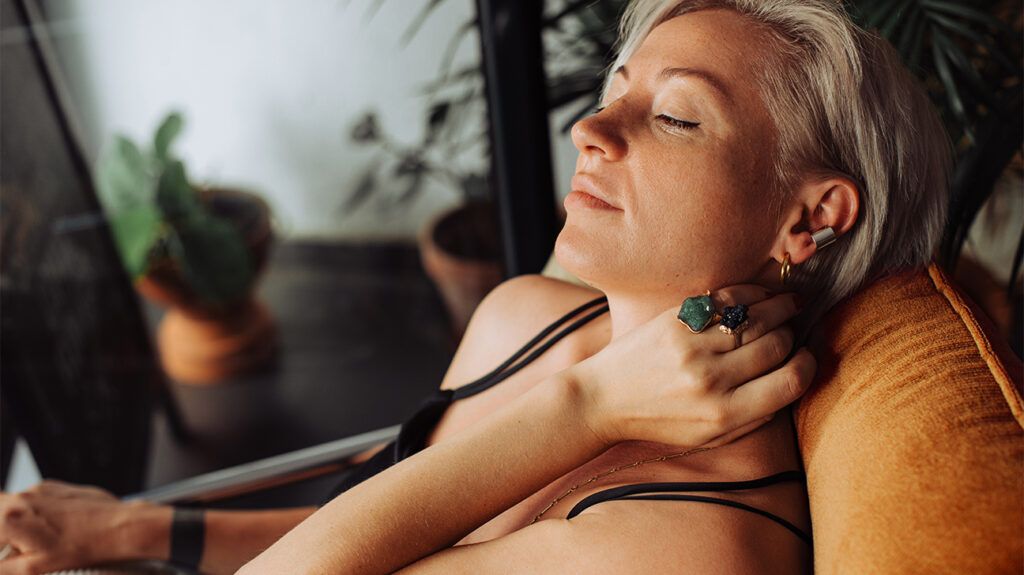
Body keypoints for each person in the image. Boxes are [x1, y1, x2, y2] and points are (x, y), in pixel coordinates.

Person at [0, 0, 949, 573]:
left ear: (810, 219)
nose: (592, 127)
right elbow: (377, 522)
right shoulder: (530, 315)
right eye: (616, 86)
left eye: (673, 116)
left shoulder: (683, 549)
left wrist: (588, 410)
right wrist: (136, 526)